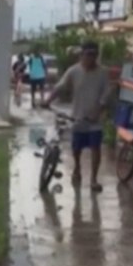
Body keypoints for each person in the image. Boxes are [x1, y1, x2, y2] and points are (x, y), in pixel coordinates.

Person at [41, 41, 110, 192]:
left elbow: (106, 96)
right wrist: (47, 100)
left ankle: (93, 179)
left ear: (96, 56)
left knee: (95, 148)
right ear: (82, 55)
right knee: (76, 148)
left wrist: (97, 112)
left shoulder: (103, 73)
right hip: (77, 117)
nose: (89, 58)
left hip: (95, 120)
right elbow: (60, 87)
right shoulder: (73, 71)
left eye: (92, 55)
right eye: (86, 55)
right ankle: (77, 168)